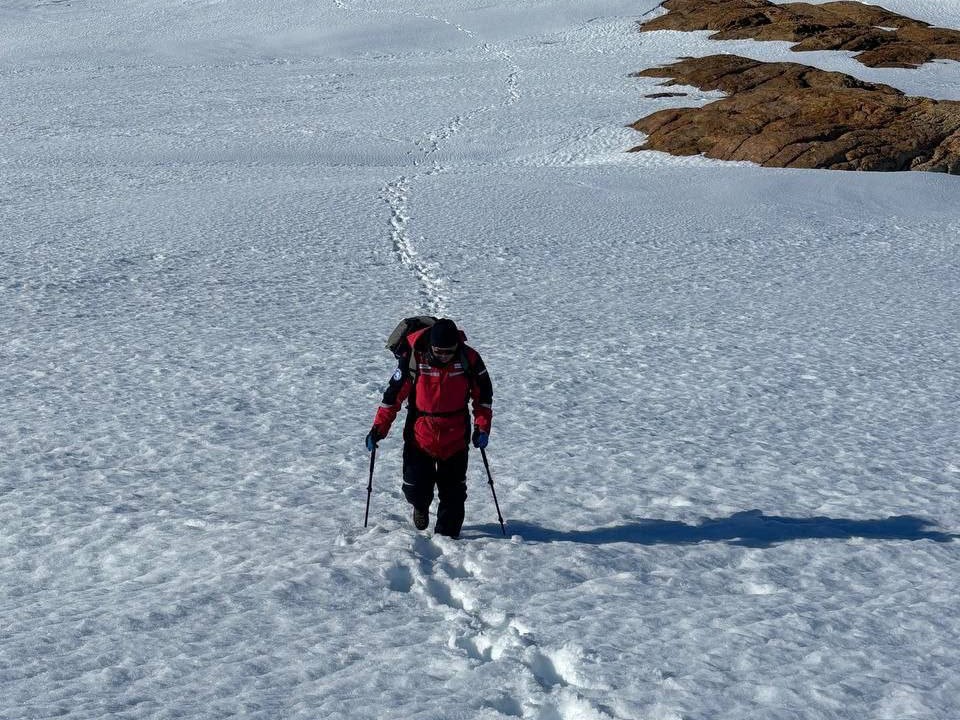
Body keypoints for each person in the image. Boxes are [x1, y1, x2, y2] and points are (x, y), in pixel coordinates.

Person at [365, 318, 493, 538]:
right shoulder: (415, 358)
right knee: (415, 488)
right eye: (439, 351)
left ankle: (448, 540)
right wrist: (379, 428)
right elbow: (392, 397)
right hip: (420, 435)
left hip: (455, 436)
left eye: (449, 351)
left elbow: (484, 398)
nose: (444, 356)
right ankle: (420, 506)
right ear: (431, 346)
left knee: (453, 495)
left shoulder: (468, 359)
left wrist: (482, 428)